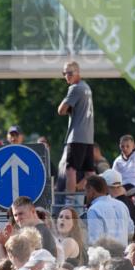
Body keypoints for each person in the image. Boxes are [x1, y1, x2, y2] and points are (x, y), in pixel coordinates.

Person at [57, 60, 95, 193]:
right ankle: (97, 197)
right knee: (90, 172)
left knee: (70, 170)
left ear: (78, 73)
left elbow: (61, 110)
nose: (67, 76)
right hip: (88, 137)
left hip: (76, 136)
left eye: (69, 73)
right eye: (64, 73)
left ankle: (69, 202)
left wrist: (68, 109)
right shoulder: (86, 87)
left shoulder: (75, 88)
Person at [84, 175, 134, 247]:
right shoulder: (122, 205)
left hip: (105, 256)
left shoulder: (94, 209)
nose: (85, 194)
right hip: (122, 254)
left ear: (91, 190)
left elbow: (94, 241)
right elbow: (131, 231)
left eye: (85, 190)